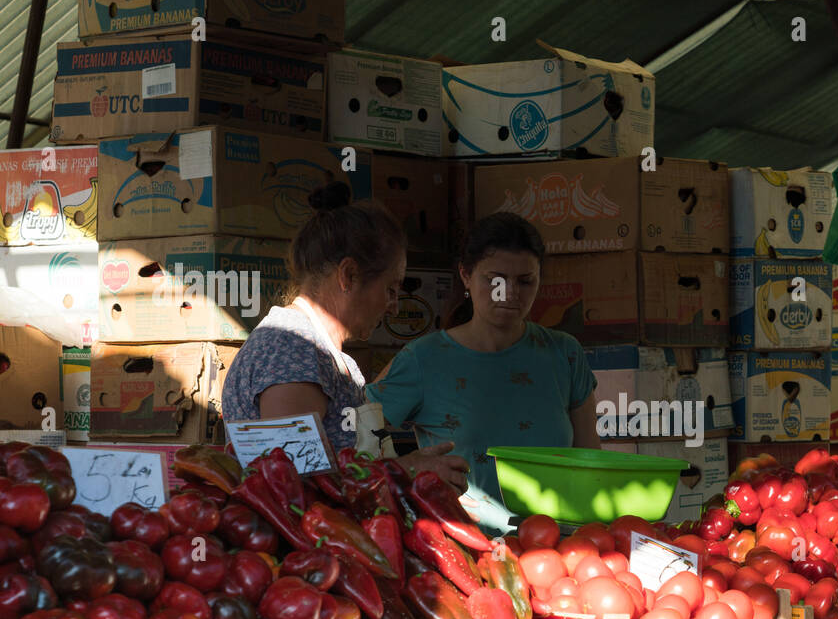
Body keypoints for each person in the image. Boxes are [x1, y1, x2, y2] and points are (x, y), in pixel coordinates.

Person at [222, 182, 468, 489]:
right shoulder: (291, 348)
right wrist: (406, 470)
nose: (393, 307)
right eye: (390, 289)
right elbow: (291, 484)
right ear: (348, 275)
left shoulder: (322, 351)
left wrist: (407, 471)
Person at [366, 212, 599, 534]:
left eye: (525, 281)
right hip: (464, 553)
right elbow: (352, 436)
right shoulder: (423, 359)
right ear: (465, 275)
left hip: (561, 555)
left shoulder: (565, 354)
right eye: (495, 279)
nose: (509, 293)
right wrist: (405, 468)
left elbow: (591, 464)